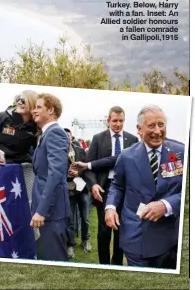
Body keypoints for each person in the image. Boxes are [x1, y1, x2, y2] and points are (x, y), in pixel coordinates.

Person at [105, 105, 184, 269]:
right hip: (136, 236)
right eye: (151, 126)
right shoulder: (126, 156)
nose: (157, 131)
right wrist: (110, 207)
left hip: (170, 237)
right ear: (139, 129)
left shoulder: (180, 152)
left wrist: (166, 205)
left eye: (161, 125)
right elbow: (117, 186)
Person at [80, 106, 138, 265]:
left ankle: (117, 263)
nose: (118, 124)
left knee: (120, 228)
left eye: (121, 121)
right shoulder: (98, 138)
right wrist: (93, 185)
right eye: (115, 121)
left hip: (125, 189)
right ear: (108, 121)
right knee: (104, 230)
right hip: (103, 188)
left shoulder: (132, 140)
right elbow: (87, 167)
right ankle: (104, 264)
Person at [30, 93, 70, 261]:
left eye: (38, 107)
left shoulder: (55, 133)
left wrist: (41, 210)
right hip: (48, 210)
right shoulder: (45, 134)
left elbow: (55, 174)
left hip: (51, 212)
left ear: (51, 110)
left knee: (53, 260)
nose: (34, 111)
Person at [0, 90, 38, 166]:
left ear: (32, 104)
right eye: (18, 100)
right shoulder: (2, 117)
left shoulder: (35, 127)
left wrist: (29, 159)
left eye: (23, 101)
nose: (19, 102)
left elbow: (33, 152)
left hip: (15, 169)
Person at [64, 128, 93, 259]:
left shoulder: (80, 150)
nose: (66, 139)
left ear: (72, 138)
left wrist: (79, 173)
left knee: (85, 218)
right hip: (68, 188)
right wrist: (67, 175)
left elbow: (87, 169)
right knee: (69, 219)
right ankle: (70, 244)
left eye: (68, 136)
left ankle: (85, 240)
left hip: (82, 188)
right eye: (64, 137)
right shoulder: (58, 153)